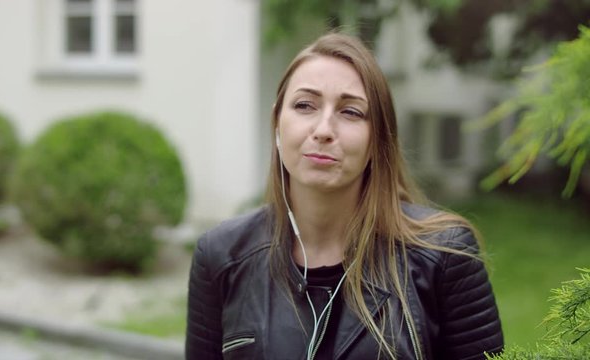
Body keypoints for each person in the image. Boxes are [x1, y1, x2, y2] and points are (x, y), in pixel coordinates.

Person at [185, 32, 503, 360]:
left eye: (350, 112)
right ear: (277, 124)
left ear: (377, 141)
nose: (323, 130)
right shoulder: (221, 256)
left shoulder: (445, 256)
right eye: (305, 105)